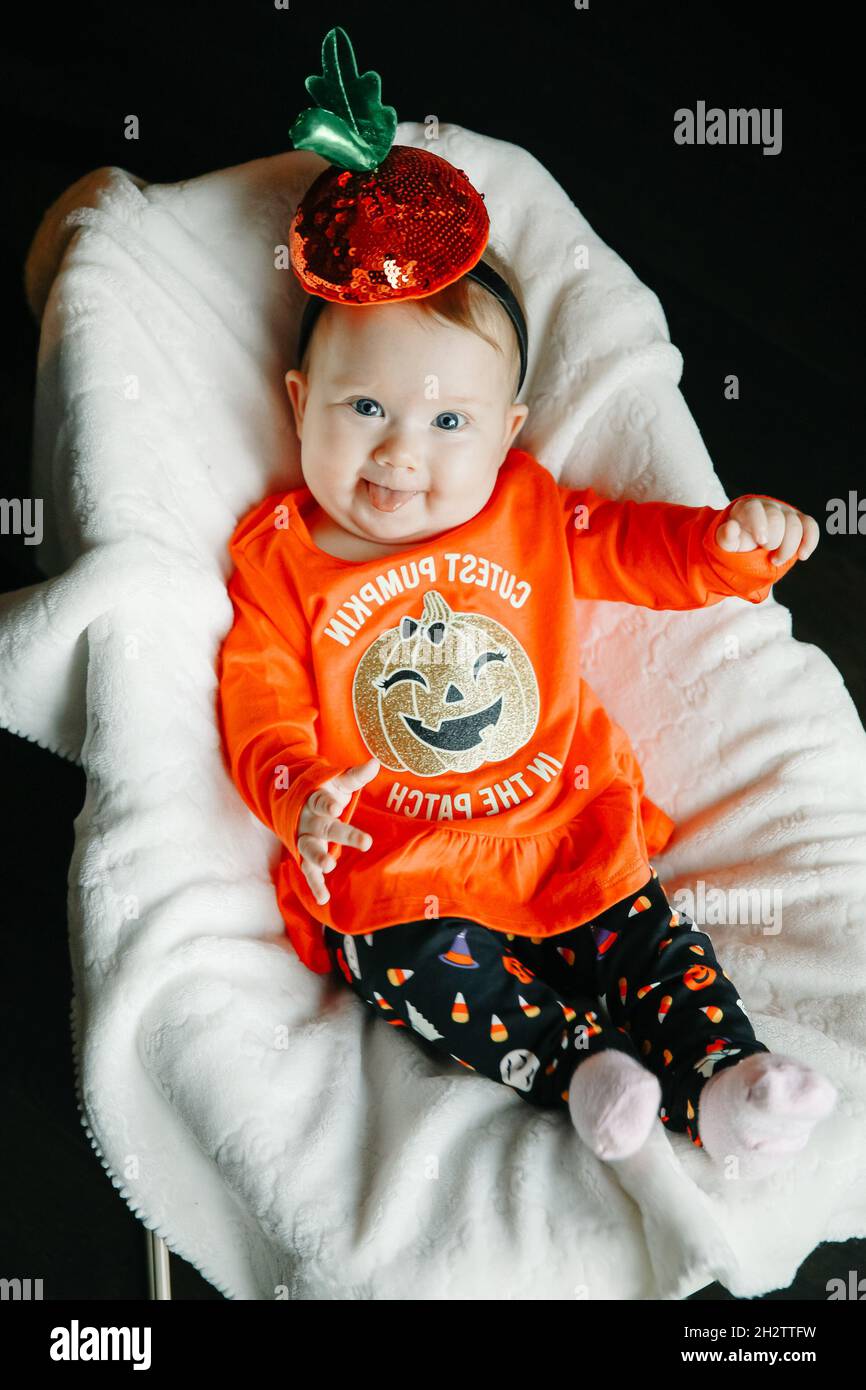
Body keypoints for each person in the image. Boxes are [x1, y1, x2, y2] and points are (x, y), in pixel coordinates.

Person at [216, 25, 837, 1181]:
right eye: (365, 409)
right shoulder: (280, 558)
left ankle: (725, 1078)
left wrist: (729, 544)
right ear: (299, 402)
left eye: (447, 422)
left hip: (557, 822)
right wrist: (298, 793)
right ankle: (573, 1069)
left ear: (502, 439)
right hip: (399, 861)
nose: (403, 453)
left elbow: (646, 555)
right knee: (413, 963)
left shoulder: (530, 511)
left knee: (647, 939)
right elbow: (258, 705)